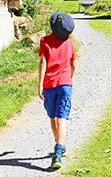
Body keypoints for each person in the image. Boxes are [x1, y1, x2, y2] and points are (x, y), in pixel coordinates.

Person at [38, 12, 76, 170]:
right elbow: (73, 64)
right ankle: (59, 146)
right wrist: (69, 78)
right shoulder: (69, 44)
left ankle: (58, 150)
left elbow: (43, 63)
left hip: (49, 85)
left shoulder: (45, 41)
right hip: (65, 84)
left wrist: (40, 85)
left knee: (54, 117)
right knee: (61, 118)